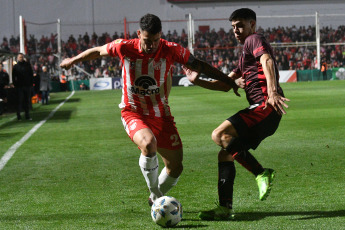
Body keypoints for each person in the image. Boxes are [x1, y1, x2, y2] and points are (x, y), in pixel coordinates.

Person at [60, 13, 238, 206]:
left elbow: (200, 65)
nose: (152, 45)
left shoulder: (171, 50)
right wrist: (73, 60)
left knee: (175, 168)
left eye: (155, 40)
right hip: (133, 111)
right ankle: (156, 195)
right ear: (138, 34)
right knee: (148, 144)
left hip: (162, 115)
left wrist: (228, 80)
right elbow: (98, 50)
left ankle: (155, 195)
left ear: (160, 35)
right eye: (147, 40)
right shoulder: (124, 47)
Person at [184, 8, 290, 220]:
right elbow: (225, 85)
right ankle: (225, 207)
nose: (236, 30)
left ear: (252, 24)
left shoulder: (254, 39)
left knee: (219, 135)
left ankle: (261, 172)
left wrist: (271, 92)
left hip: (265, 106)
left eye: (240, 25)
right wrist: (197, 81)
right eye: (233, 27)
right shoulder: (244, 57)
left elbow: (267, 61)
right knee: (225, 151)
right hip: (264, 112)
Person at [12, 53, 34, 120]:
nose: (20, 58)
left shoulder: (27, 65)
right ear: (17, 58)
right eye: (19, 57)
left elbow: (31, 74)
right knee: (19, 101)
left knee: (27, 101)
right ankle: (18, 116)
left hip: (27, 86)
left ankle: (27, 115)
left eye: (21, 57)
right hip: (19, 86)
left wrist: (31, 83)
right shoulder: (15, 67)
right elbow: (13, 77)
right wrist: (15, 84)